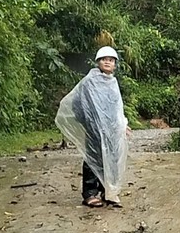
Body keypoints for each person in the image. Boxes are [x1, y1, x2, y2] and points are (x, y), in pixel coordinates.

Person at [55, 46, 129, 208]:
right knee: (93, 159)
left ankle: (108, 192)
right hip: (94, 129)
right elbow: (77, 104)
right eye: (104, 59)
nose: (107, 62)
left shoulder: (112, 83)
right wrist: (89, 123)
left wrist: (122, 124)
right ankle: (89, 193)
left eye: (111, 60)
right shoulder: (90, 82)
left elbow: (116, 107)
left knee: (111, 159)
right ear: (98, 62)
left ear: (115, 64)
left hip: (111, 130)